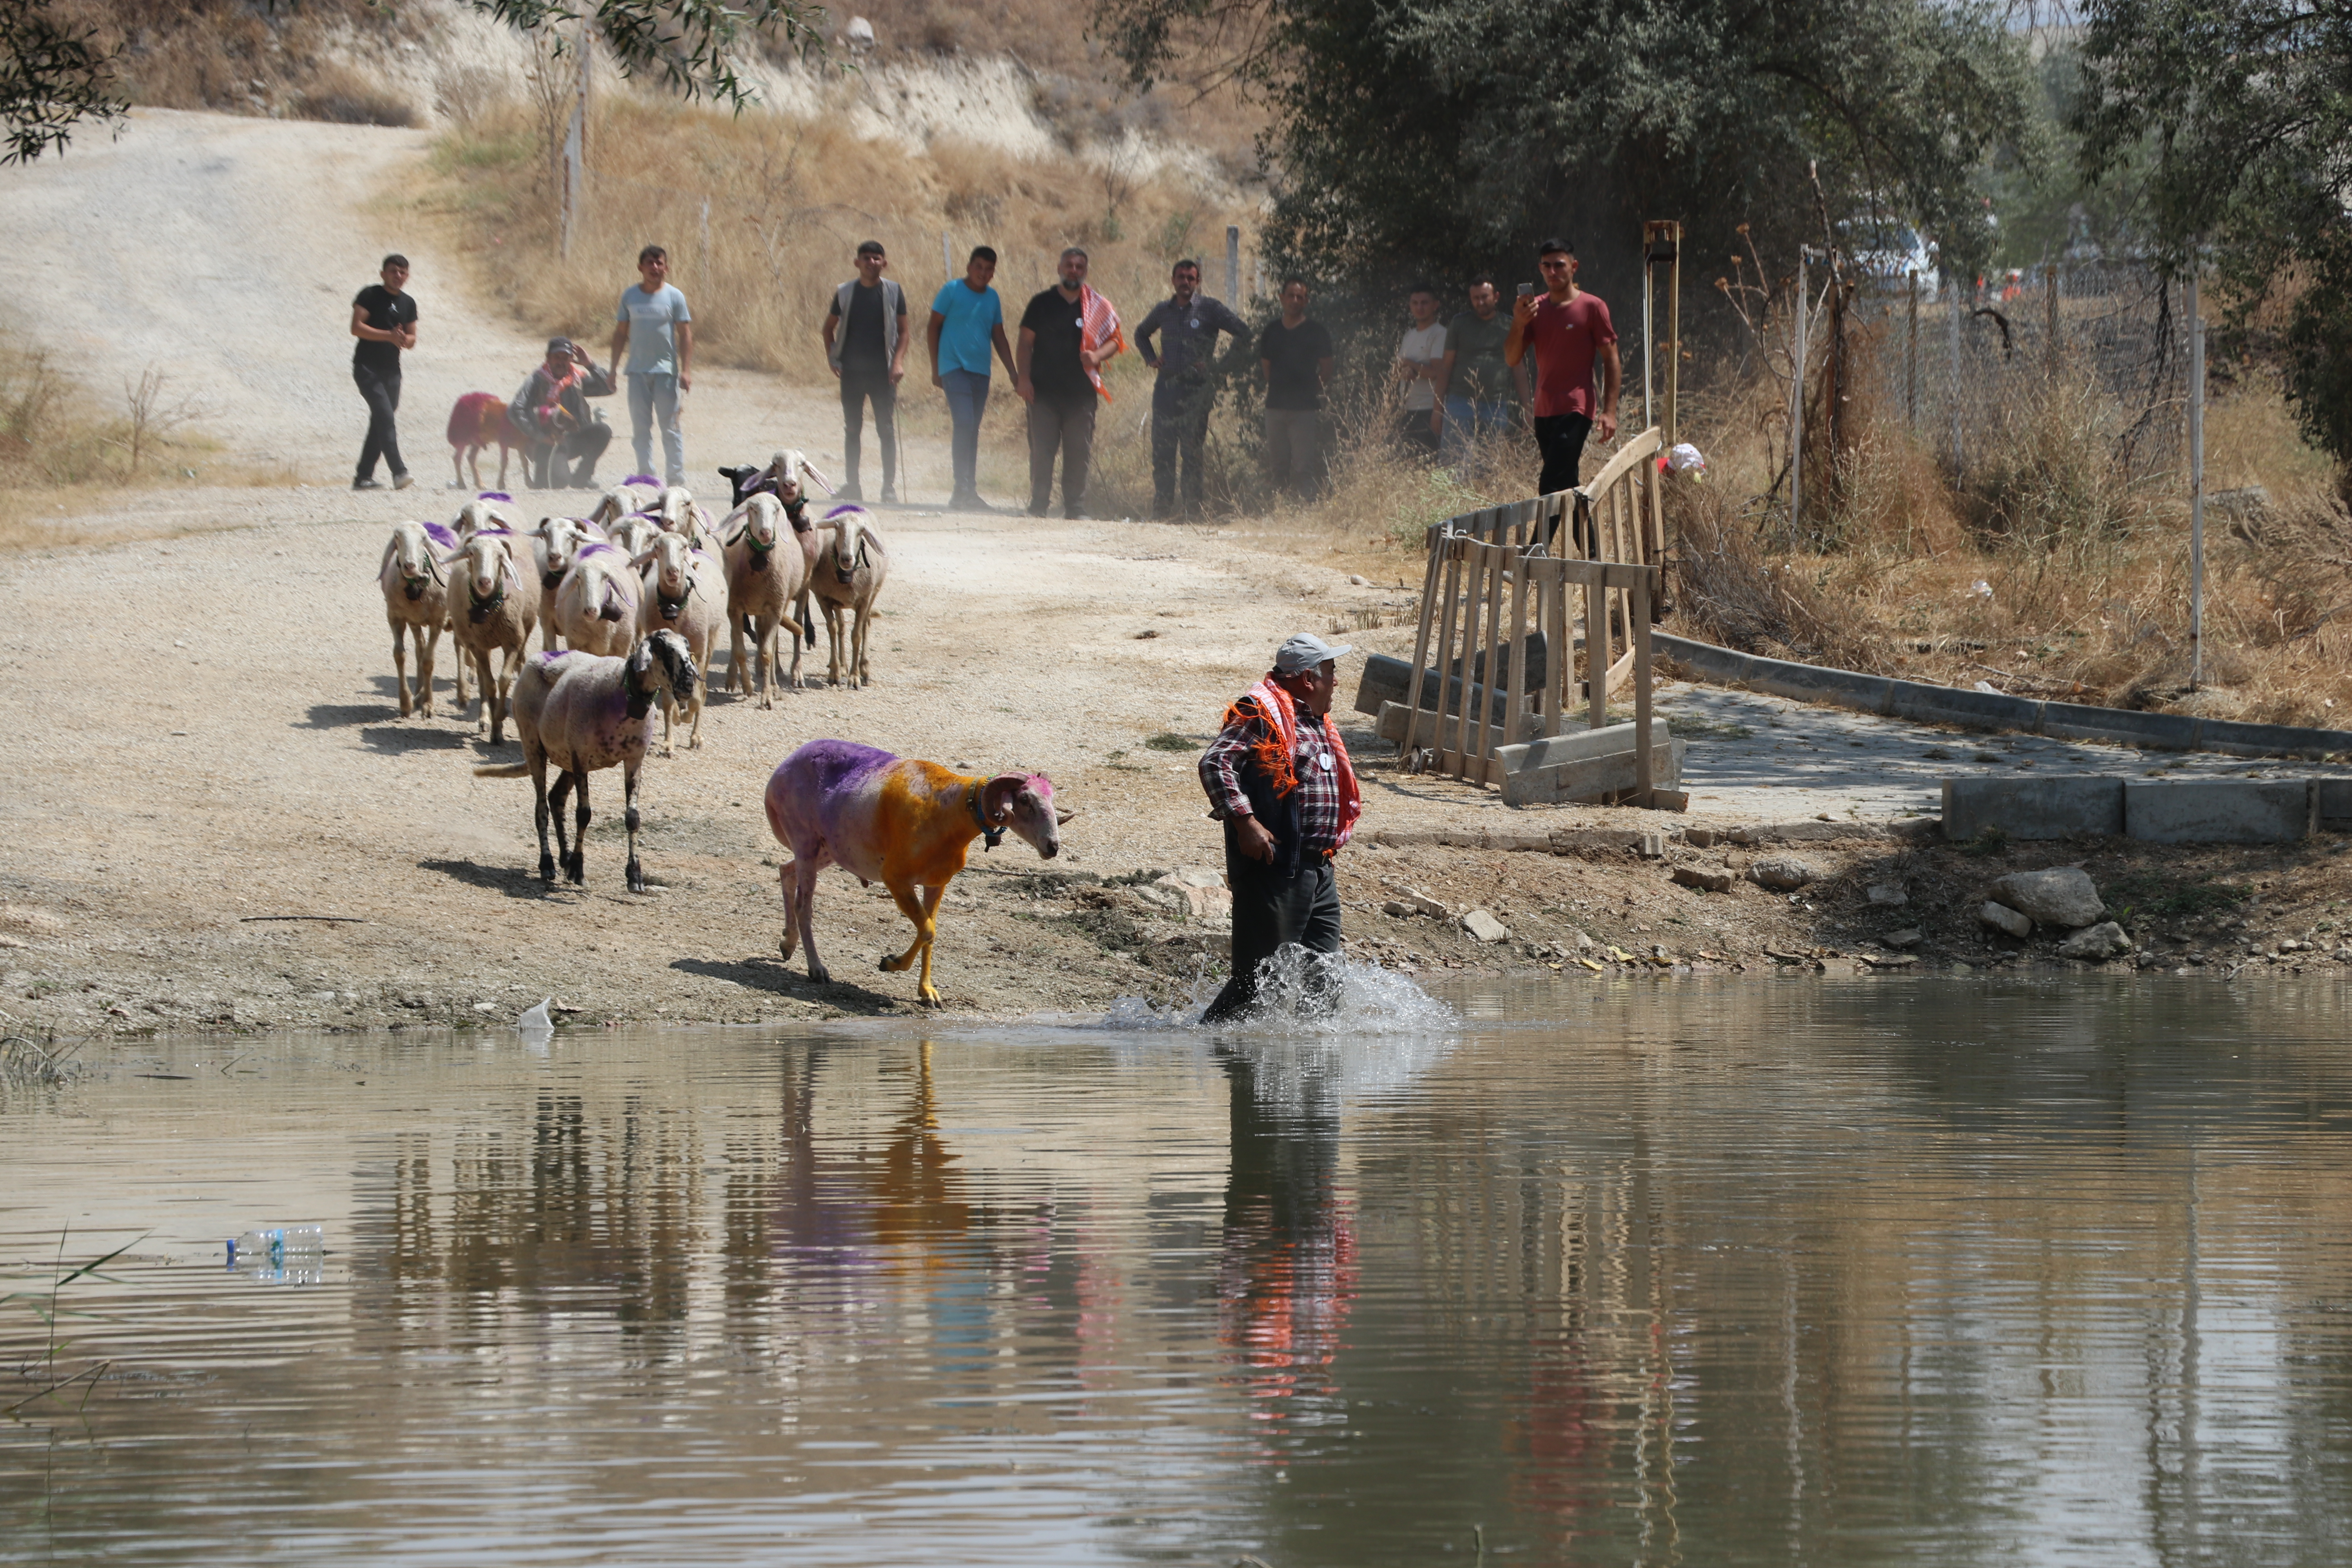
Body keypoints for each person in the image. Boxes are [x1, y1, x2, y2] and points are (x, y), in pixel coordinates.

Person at [1196, 632, 1363, 1022]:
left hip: (1319, 870)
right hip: (1275, 869)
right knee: (1255, 983)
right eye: (1331, 671)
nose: (1336, 680)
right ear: (1308, 679)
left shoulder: (1316, 721)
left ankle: (1316, 1070)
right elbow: (1214, 764)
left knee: (1324, 980)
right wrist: (1246, 822)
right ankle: (1206, 1046)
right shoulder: (1261, 713)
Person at [1504, 236, 1621, 499]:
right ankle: (1589, 543)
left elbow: (1612, 360)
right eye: (1547, 266)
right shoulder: (1535, 309)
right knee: (1566, 486)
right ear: (1540, 269)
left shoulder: (1593, 307)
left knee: (1550, 484)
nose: (1553, 272)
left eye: (1559, 265)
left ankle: (1538, 543)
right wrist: (1518, 323)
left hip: (1576, 407)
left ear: (1574, 266)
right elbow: (1512, 358)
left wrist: (1610, 411)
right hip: (1544, 409)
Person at [1136, 259, 1249, 519]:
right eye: (1181, 277)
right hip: (1166, 387)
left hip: (1196, 390)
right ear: (1173, 280)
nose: (1185, 282)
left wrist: (1219, 366)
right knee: (1163, 450)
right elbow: (1141, 333)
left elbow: (1244, 333)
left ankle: (1193, 511)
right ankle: (1162, 509)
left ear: (1198, 282)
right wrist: (1151, 358)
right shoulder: (1163, 310)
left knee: (1192, 451)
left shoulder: (1210, 309)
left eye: (1191, 278)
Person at [1016, 247, 1122, 519]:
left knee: (1078, 453)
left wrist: (1097, 355)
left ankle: (1075, 508)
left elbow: (1115, 339)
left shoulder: (1097, 305)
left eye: (1079, 266)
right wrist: (1024, 378)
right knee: (1042, 451)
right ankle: (1038, 506)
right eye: (1069, 265)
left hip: (1081, 395)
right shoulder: (1041, 303)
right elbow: (1025, 344)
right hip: (1043, 393)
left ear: (1085, 271)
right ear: (1059, 269)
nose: (1073, 270)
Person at [927, 245, 1017, 511]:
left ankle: (970, 490)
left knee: (973, 430)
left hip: (981, 371)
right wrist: (936, 368)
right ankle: (959, 491)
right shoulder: (952, 290)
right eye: (979, 267)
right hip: (954, 367)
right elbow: (933, 327)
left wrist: (1013, 371)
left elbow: (998, 335)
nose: (983, 273)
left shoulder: (993, 298)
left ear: (993, 274)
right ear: (969, 267)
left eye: (989, 270)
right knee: (964, 423)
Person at [825, 239, 910, 505]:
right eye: (866, 258)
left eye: (876, 258)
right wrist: (833, 357)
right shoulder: (845, 292)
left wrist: (897, 363)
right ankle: (853, 486)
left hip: (883, 374)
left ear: (884, 263)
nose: (871, 263)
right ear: (857, 262)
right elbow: (828, 328)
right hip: (852, 372)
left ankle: (889, 488)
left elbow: (905, 332)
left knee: (886, 430)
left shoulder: (894, 292)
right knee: (852, 429)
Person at [610, 244, 693, 488]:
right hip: (637, 371)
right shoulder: (630, 296)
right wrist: (613, 370)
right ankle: (646, 478)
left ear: (666, 268)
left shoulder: (675, 297)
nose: (655, 268)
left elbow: (685, 335)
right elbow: (620, 333)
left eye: (659, 263)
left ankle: (676, 481)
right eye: (650, 263)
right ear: (640, 268)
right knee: (641, 428)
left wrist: (686, 370)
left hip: (666, 372)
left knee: (671, 428)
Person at [1436, 276, 1526, 470]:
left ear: (1496, 297)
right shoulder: (1459, 324)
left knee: (1490, 464)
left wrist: (1528, 408)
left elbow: (1519, 369)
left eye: (1485, 297)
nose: (1480, 302)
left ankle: (1488, 500)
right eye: (1475, 298)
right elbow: (1446, 367)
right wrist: (1437, 410)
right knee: (1453, 463)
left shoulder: (1510, 325)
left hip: (1495, 404)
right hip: (1459, 402)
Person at [1257, 278, 1334, 501]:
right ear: (1282, 298)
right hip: (1275, 407)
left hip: (1304, 409)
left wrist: (1310, 389)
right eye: (1291, 295)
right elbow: (1266, 368)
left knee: (1303, 468)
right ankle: (1279, 510)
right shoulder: (1271, 330)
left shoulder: (1316, 331)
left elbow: (1327, 369)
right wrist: (1282, 388)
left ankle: (1306, 512)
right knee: (1278, 467)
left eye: (1300, 297)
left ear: (1306, 301)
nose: (1295, 300)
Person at [508, 337, 616, 490]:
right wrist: (540, 436)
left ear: (571, 359)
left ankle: (582, 478)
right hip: (548, 444)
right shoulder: (537, 380)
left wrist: (590, 365)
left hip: (574, 439)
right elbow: (515, 409)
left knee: (603, 431)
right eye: (557, 357)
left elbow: (609, 388)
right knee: (559, 483)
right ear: (548, 358)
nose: (561, 362)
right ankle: (543, 473)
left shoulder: (576, 378)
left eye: (565, 358)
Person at [350, 253, 417, 491]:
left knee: (381, 420)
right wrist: (387, 336)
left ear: (407, 276)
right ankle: (399, 472)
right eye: (393, 271)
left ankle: (363, 477)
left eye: (402, 272)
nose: (397, 276)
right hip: (367, 368)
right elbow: (356, 327)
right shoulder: (370, 295)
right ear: (383, 274)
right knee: (386, 418)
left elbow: (412, 339)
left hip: (392, 371)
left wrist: (402, 340)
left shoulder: (408, 303)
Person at [1394, 281, 1447, 456]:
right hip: (1407, 410)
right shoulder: (1409, 335)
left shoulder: (1440, 334)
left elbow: (1436, 373)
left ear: (1435, 305)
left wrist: (1410, 364)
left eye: (1424, 303)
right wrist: (1405, 371)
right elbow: (1398, 369)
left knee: (1429, 465)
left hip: (1429, 412)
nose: (1420, 307)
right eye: (1415, 303)